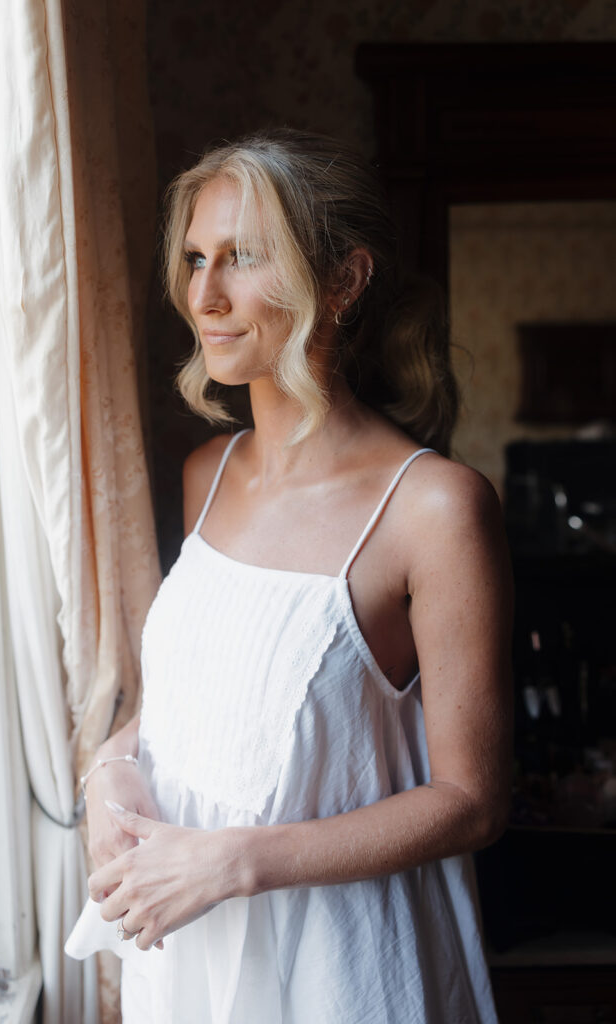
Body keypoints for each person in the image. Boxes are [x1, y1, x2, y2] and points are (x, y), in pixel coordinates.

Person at [65, 128, 512, 1023]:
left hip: (343, 966)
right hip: (188, 953)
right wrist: (111, 770)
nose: (204, 295)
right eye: (195, 259)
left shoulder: (435, 510)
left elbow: (472, 802)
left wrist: (236, 861)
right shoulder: (209, 473)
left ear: (343, 281)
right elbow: (196, 707)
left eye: (242, 259)